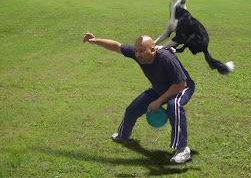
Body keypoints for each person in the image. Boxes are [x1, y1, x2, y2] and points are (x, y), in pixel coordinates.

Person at [83, 33, 195, 164]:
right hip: (159, 88)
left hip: (181, 87)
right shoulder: (138, 54)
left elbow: (181, 84)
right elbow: (116, 46)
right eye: (136, 51)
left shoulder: (166, 58)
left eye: (141, 51)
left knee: (173, 105)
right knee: (132, 109)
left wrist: (158, 101)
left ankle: (183, 149)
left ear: (153, 50)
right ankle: (124, 134)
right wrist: (95, 40)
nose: (137, 54)